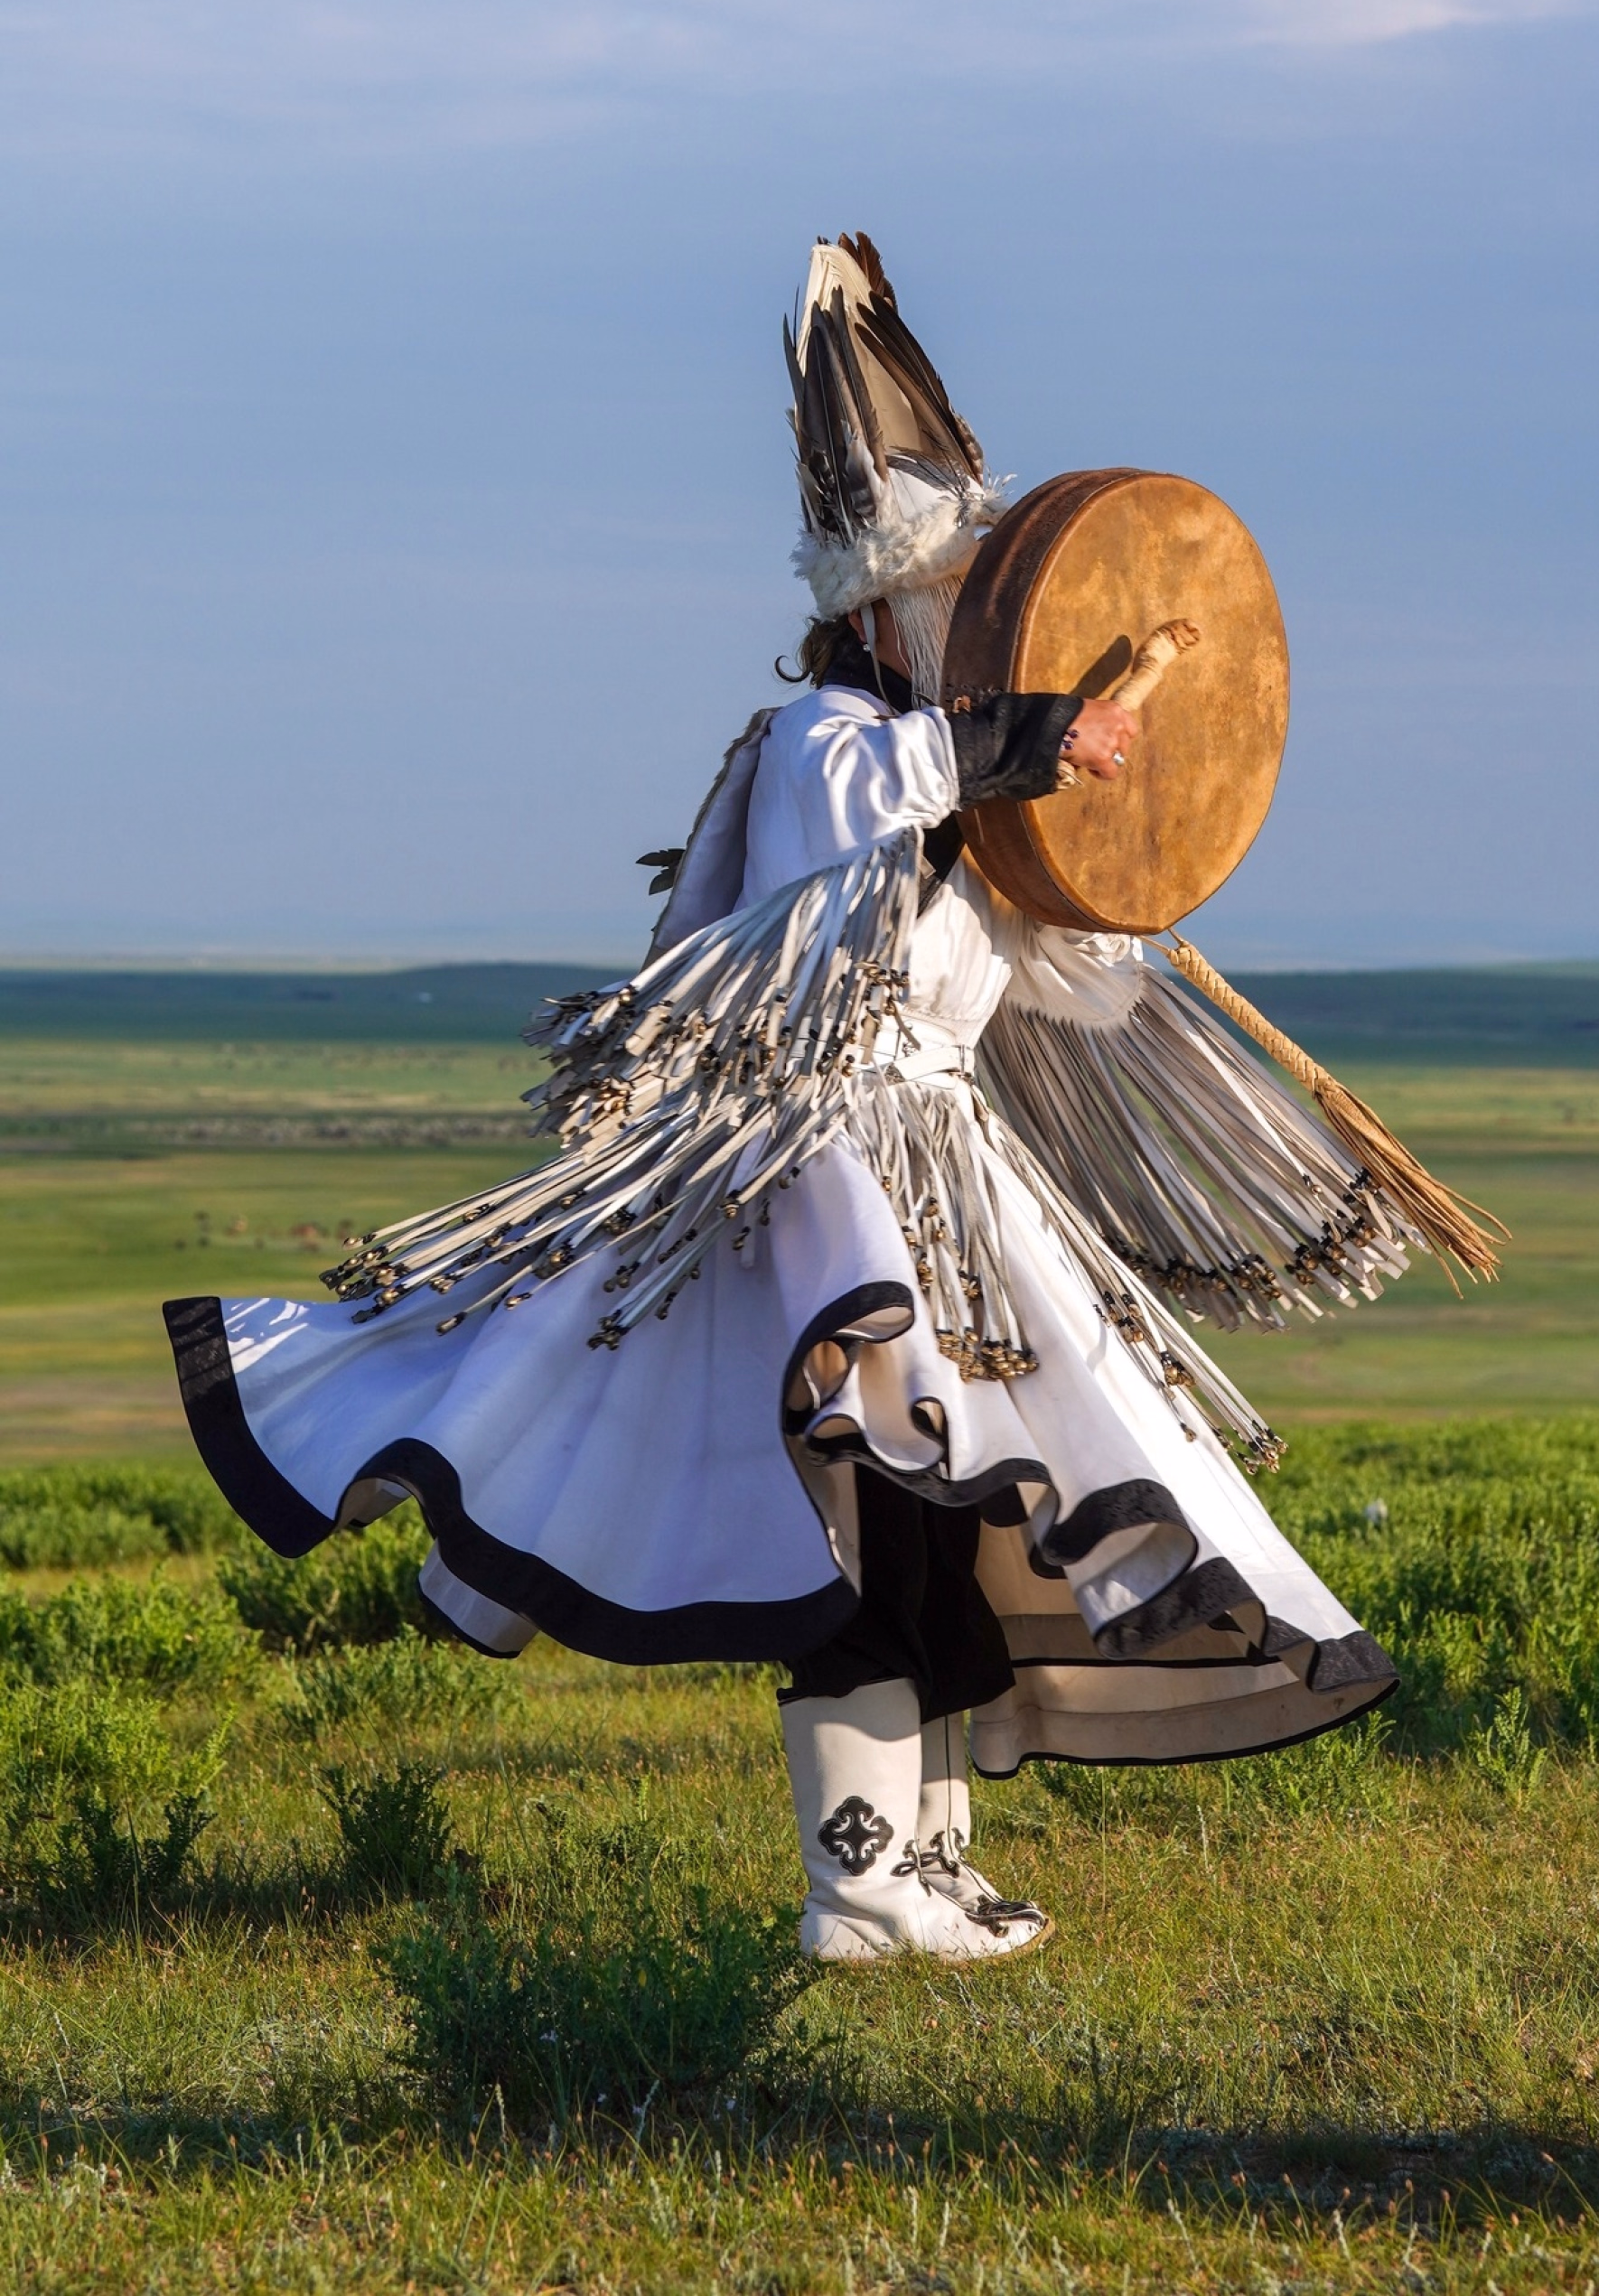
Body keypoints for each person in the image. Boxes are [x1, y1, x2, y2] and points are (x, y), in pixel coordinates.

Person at [166, 234, 1458, 1966]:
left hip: (944, 1181)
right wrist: (1026, 747)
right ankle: (858, 1885)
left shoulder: (950, 793)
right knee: (861, 1535)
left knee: (944, 1532)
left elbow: (1044, 957)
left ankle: (925, 1866)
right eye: (948, 599)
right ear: (878, 605)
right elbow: (860, 849)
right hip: (824, 1180)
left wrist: (1107, 856)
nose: (967, 622)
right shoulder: (828, 748)